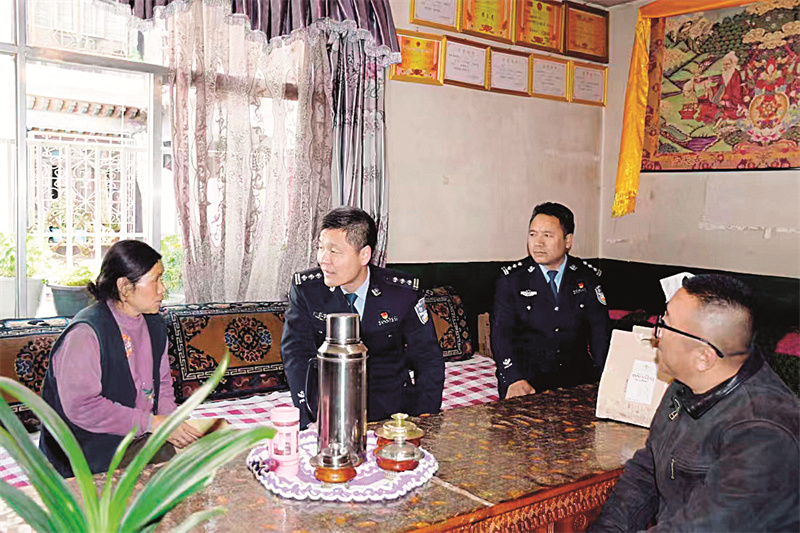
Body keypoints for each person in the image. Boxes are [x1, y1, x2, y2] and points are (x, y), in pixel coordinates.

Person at [591, 274, 800, 532]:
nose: (656, 335)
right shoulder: (686, 384)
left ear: (704, 357)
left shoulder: (764, 433)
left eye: (665, 326)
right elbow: (647, 471)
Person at [39, 240, 200, 477]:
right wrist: (152, 424)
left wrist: (170, 423)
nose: (162, 289)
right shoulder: (85, 334)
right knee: (183, 470)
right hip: (88, 450)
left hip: (138, 435)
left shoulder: (154, 324)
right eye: (155, 280)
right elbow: (83, 408)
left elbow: (163, 384)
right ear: (124, 287)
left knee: (212, 448)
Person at [281, 207, 445, 429]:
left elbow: (427, 356)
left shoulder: (402, 293)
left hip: (392, 410)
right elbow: (296, 354)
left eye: (334, 251)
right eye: (320, 248)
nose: (323, 260)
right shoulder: (307, 290)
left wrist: (425, 415)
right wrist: (309, 413)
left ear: (364, 255)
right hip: (328, 409)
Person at [490, 202, 610, 399]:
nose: (538, 243)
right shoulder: (512, 279)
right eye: (533, 234)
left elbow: (600, 333)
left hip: (576, 379)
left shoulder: (586, 277)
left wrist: (605, 377)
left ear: (568, 240)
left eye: (547, 235)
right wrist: (513, 378)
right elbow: (501, 335)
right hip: (526, 380)